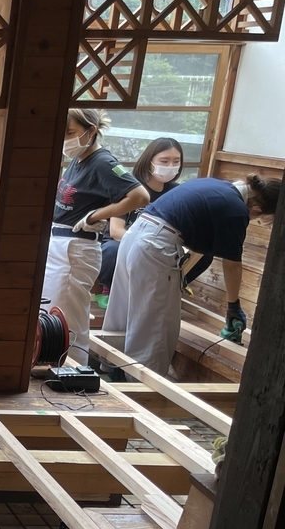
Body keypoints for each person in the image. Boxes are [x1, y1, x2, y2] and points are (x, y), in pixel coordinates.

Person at [102, 174, 280, 374]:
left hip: (135, 235)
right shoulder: (236, 209)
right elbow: (232, 265)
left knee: (123, 308)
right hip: (154, 246)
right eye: (258, 219)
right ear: (256, 209)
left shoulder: (216, 185)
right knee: (155, 327)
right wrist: (233, 306)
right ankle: (141, 386)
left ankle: (111, 371)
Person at [43, 109, 149, 361]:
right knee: (53, 314)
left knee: (67, 319)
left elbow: (140, 196)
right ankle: (56, 365)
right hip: (60, 242)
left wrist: (96, 215)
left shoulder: (102, 162)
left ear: (91, 131)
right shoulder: (79, 159)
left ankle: (72, 371)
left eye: (71, 133)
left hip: (75, 247)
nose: (66, 140)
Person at [96, 137, 184, 307]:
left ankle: (171, 289)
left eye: (176, 161)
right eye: (164, 161)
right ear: (149, 161)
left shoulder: (177, 192)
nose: (170, 166)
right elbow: (115, 230)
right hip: (123, 240)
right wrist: (143, 244)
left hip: (160, 244)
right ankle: (108, 291)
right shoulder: (130, 187)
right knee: (113, 250)